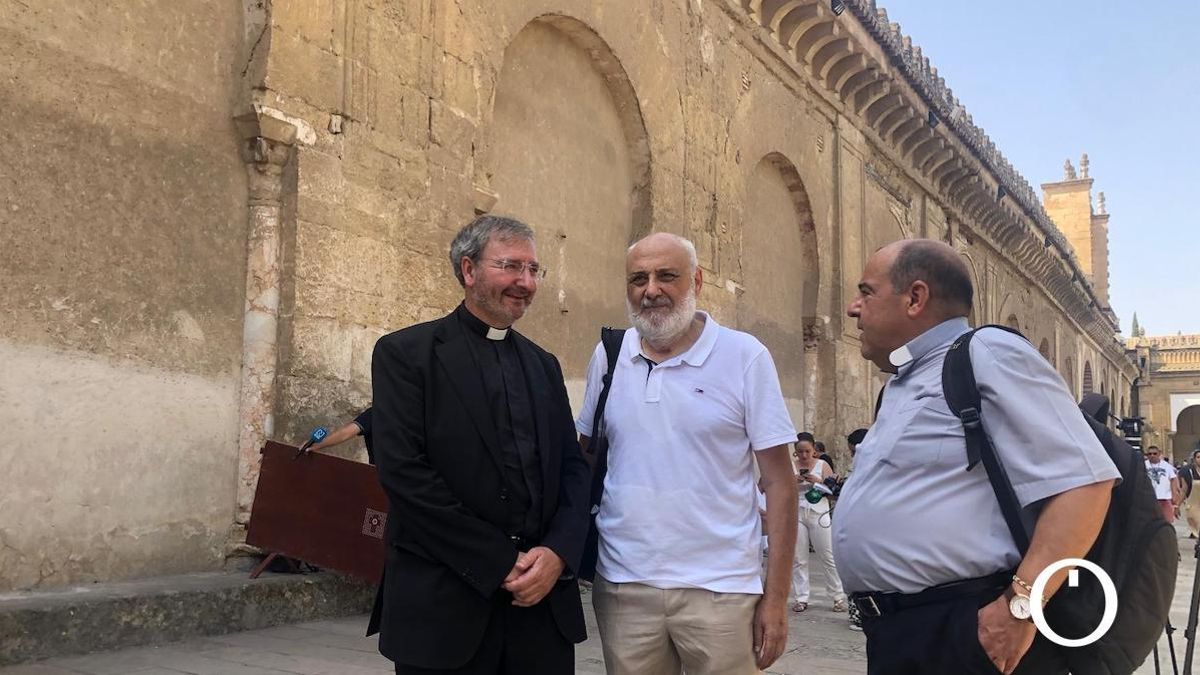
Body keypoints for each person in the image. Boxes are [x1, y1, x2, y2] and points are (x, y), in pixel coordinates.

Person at [833, 239, 1119, 675]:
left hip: (962, 629)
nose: (854, 307)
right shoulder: (901, 384)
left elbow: (1086, 482)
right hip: (900, 632)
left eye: (867, 292)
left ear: (915, 297)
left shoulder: (985, 353)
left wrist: (1021, 607)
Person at [369, 215, 591, 675]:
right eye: (511, 266)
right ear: (468, 271)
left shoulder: (543, 365)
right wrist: (497, 562)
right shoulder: (406, 355)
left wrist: (558, 553)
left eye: (533, 270)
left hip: (541, 609)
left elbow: (573, 468)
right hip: (445, 606)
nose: (525, 282)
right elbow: (405, 474)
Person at [575, 232, 799, 675]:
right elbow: (582, 459)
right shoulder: (610, 355)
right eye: (638, 278)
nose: (651, 289)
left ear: (695, 280)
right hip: (625, 586)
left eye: (667, 276)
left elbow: (780, 483)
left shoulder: (744, 356)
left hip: (723, 591)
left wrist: (775, 600)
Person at [790, 433, 846, 614]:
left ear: (814, 450)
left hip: (818, 511)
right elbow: (780, 488)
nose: (804, 455)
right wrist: (793, 482)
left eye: (807, 451)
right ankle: (801, 597)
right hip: (796, 512)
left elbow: (833, 491)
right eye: (800, 452)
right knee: (799, 558)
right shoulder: (790, 466)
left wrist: (818, 482)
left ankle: (838, 596)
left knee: (827, 554)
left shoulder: (822, 465)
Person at [306, 407, 375, 463]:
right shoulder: (374, 414)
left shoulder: (375, 413)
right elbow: (346, 433)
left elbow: (346, 433)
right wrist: (316, 445)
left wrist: (316, 445)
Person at [1144, 445, 1181, 524]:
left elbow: (1173, 480)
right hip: (1149, 498)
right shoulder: (1143, 466)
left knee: (1166, 521)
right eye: (1149, 454)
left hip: (1165, 497)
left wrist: (1175, 498)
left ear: (1159, 454)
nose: (1152, 456)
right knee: (1150, 521)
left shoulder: (1167, 466)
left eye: (1154, 453)